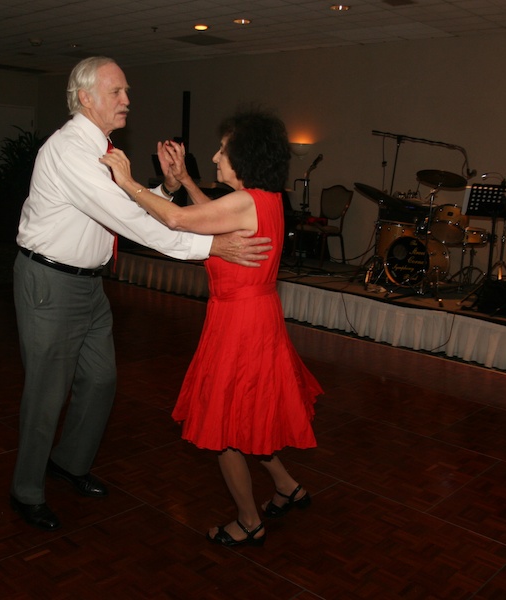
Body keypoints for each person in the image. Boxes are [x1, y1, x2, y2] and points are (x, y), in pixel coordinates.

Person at [10, 56, 273, 532]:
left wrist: (167, 189)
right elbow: (129, 218)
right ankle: (26, 490)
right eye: (117, 92)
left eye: (126, 91)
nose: (127, 100)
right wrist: (210, 246)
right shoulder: (71, 151)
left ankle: (69, 463)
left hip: (88, 284)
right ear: (85, 98)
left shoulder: (102, 151)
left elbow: (125, 205)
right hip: (50, 282)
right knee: (47, 393)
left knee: (101, 380)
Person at [101, 107, 322, 547]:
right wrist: (184, 181)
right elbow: (216, 214)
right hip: (257, 319)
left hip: (239, 325)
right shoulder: (266, 199)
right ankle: (286, 487)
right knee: (253, 415)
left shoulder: (246, 203)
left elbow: (179, 220)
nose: (217, 157)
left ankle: (248, 521)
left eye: (223, 150)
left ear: (246, 155)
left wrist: (126, 184)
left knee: (225, 429)